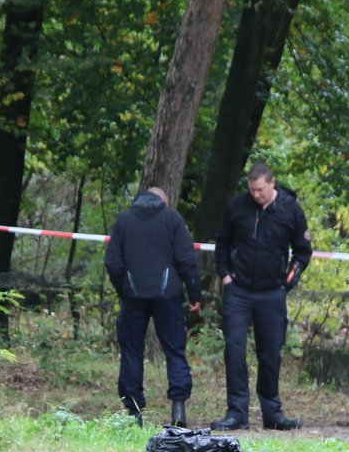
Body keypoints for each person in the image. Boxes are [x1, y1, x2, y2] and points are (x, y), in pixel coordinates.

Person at [211, 162, 313, 431]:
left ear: (272, 183)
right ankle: (237, 413)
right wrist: (225, 276)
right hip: (239, 291)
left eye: (260, 190)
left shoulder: (290, 209)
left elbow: (302, 252)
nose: (255, 195)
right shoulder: (237, 206)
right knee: (234, 350)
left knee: (270, 354)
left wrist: (286, 283)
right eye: (252, 190)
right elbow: (222, 243)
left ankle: (272, 413)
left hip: (272, 293)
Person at [104, 186, 203, 427]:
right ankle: (178, 410)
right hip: (168, 297)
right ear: (164, 201)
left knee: (131, 352)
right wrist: (194, 294)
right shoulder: (172, 219)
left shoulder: (124, 220)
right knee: (175, 350)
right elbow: (187, 260)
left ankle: (134, 413)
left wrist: (124, 289)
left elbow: (113, 263)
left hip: (133, 297)